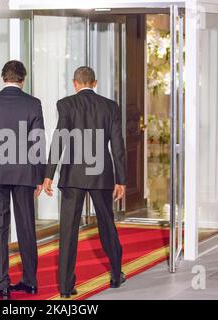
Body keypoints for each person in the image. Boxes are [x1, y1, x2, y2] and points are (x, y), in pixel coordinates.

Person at [43, 66, 127, 298]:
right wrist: (121, 179)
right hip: (101, 174)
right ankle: (116, 273)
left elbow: (59, 139)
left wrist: (49, 173)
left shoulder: (66, 104)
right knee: (107, 224)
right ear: (95, 82)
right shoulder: (110, 106)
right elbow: (117, 146)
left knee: (68, 231)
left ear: (75, 83)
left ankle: (66, 288)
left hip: (72, 176)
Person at [0, 60, 46, 300]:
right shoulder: (33, 103)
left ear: (3, 77)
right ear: (23, 78)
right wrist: (40, 175)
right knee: (26, 227)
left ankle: (2, 285)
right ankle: (30, 282)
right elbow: (38, 142)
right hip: (25, 172)